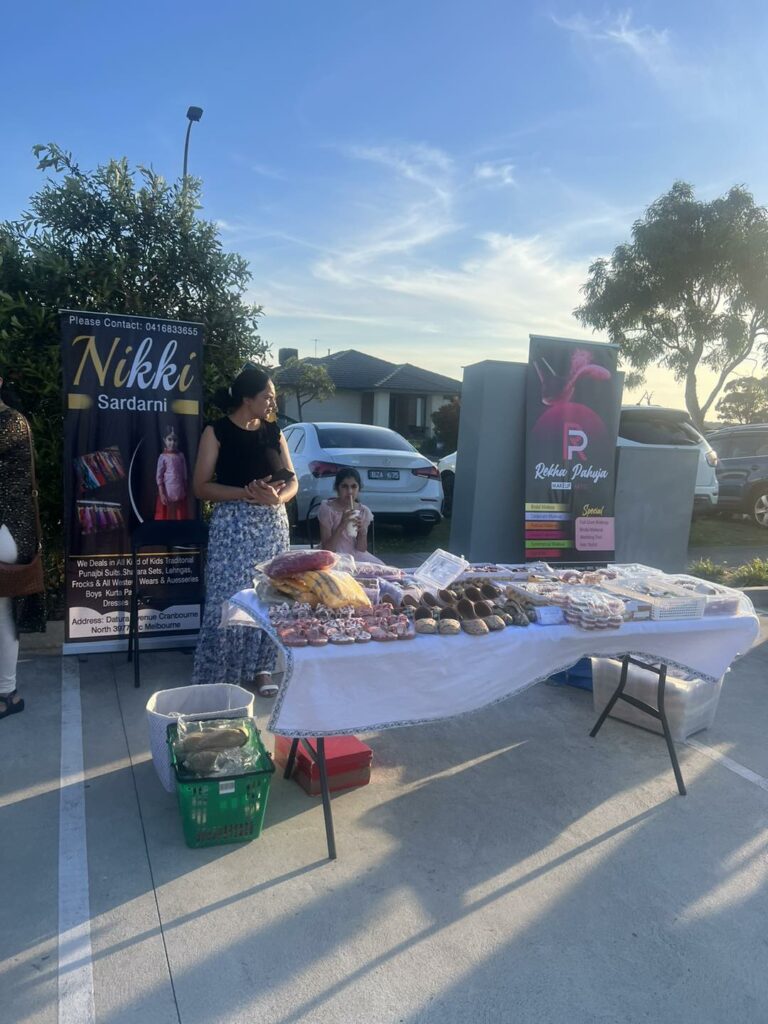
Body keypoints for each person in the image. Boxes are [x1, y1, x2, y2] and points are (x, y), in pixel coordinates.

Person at [192, 365, 297, 697]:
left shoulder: (273, 432)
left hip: (272, 526)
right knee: (228, 597)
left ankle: (261, 668)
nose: (272, 403)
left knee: (269, 595)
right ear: (247, 398)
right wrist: (245, 493)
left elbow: (293, 481)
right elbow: (200, 487)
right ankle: (222, 670)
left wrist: (278, 497)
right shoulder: (217, 431)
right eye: (267, 396)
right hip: (233, 528)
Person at [0, 374, 46, 720]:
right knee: (2, 615)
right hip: (9, 529)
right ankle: (6, 692)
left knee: (4, 614)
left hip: (8, 530)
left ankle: (6, 693)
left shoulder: (10, 423)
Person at [317, 468, 382, 563]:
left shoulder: (363, 511)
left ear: (359, 488)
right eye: (344, 486)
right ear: (337, 488)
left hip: (356, 556)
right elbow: (327, 548)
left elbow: (361, 549)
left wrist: (362, 532)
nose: (350, 491)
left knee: (383, 569)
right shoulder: (327, 509)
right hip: (333, 555)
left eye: (354, 486)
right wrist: (342, 524)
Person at [154, 425, 189, 520]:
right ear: (164, 440)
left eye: (175, 440)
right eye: (169, 439)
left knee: (179, 515)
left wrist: (185, 487)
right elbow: (159, 477)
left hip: (180, 492)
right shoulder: (163, 457)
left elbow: (184, 473)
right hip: (167, 492)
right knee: (167, 516)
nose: (172, 443)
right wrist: (162, 493)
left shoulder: (181, 456)